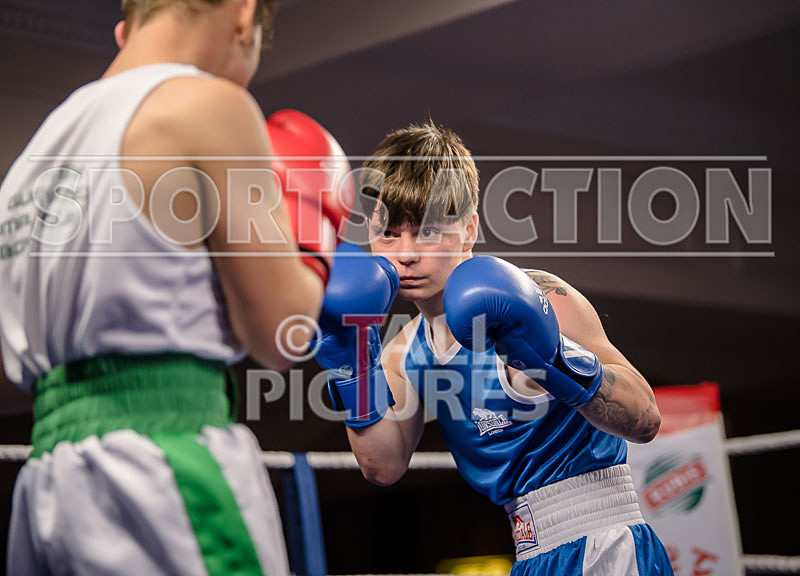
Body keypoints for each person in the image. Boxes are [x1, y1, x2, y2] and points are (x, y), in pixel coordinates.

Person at [0, 0, 352, 574]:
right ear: (243, 16)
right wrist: (313, 231)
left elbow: (9, 378)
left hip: (46, 488)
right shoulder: (208, 104)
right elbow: (281, 335)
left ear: (129, 27)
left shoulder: (34, 157)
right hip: (166, 469)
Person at [315, 121, 673, 574]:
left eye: (427, 232)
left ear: (468, 229)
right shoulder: (403, 351)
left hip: (606, 543)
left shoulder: (542, 297)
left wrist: (552, 358)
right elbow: (381, 466)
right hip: (528, 553)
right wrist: (351, 363)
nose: (405, 254)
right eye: (390, 234)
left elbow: (645, 418)